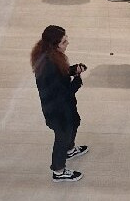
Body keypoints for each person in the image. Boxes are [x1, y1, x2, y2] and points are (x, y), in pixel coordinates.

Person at [31, 25, 88, 182]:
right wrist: (77, 79)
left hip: (63, 106)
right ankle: (59, 170)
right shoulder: (49, 65)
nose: (67, 43)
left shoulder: (51, 57)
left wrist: (73, 70)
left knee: (75, 122)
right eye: (64, 42)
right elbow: (64, 92)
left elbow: (61, 74)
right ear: (54, 45)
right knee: (62, 136)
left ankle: (70, 150)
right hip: (57, 109)